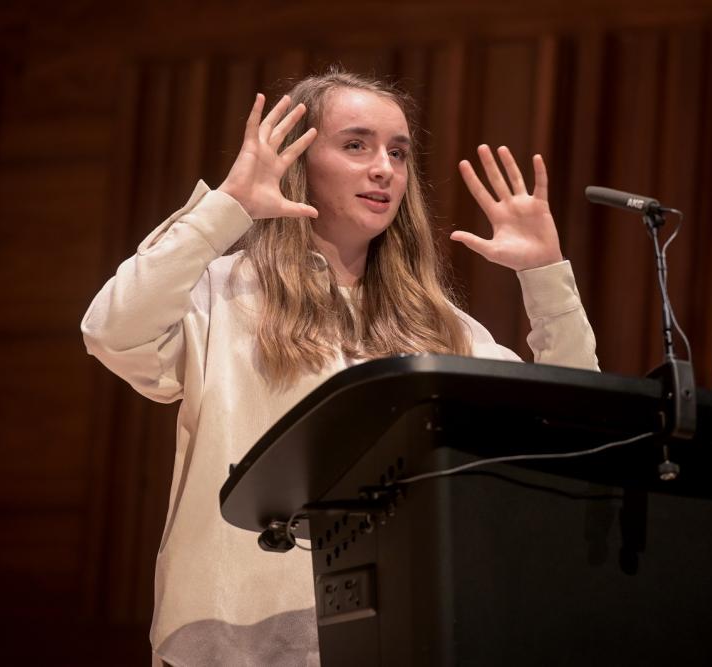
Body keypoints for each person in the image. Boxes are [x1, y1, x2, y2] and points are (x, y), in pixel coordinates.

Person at [82, 69, 598, 666]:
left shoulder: (440, 328)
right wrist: (225, 209)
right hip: (233, 644)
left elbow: (571, 425)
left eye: (398, 153)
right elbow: (111, 330)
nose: (384, 169)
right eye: (356, 145)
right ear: (298, 160)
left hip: (397, 642)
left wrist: (545, 277)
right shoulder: (220, 292)